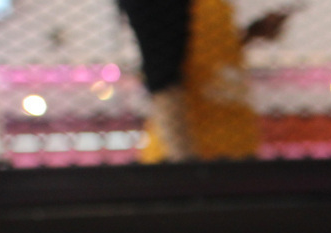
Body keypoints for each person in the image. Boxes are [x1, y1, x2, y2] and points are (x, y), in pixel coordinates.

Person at [118, 0, 293, 161]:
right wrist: (187, 168)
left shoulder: (214, 6)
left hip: (235, 150)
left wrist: (252, 34)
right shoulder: (165, 6)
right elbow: (163, 82)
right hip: (195, 153)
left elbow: (207, 57)